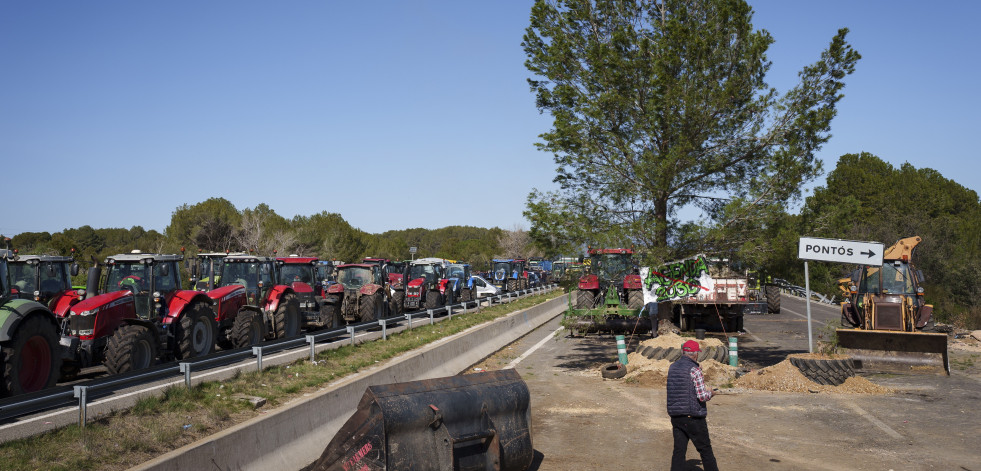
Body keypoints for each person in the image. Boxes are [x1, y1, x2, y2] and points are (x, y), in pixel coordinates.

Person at [667, 339, 719, 471]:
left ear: (683, 352)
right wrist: (711, 393)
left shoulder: (672, 367)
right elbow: (702, 396)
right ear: (695, 354)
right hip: (693, 416)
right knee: (705, 450)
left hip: (676, 416)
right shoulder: (695, 370)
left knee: (679, 451)